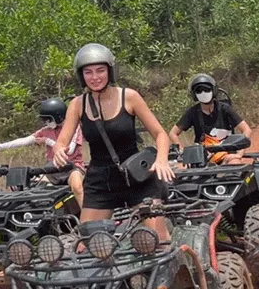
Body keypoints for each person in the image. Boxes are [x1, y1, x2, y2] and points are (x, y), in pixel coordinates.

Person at [53, 43, 174, 240]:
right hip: (100, 181)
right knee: (88, 244)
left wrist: (161, 160)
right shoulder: (77, 104)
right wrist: (59, 150)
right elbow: (62, 141)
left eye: (100, 70)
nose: (95, 77)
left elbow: (160, 133)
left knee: (159, 241)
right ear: (81, 76)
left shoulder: (129, 97)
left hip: (135, 176)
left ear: (110, 71)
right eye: (88, 72)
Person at [0, 98, 85, 206]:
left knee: (77, 188)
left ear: (58, 117)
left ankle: (87, 215)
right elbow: (25, 140)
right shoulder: (45, 131)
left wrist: (47, 141)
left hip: (72, 167)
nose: (46, 122)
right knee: (34, 190)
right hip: (52, 169)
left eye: (48, 119)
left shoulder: (74, 128)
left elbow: (69, 150)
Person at [168, 74, 252, 165]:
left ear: (213, 90)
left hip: (227, 155)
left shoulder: (224, 109)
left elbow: (246, 130)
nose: (203, 93)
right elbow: (173, 133)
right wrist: (184, 153)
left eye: (207, 89)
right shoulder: (192, 112)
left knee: (235, 164)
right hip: (202, 158)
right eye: (199, 91)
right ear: (194, 94)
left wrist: (239, 154)